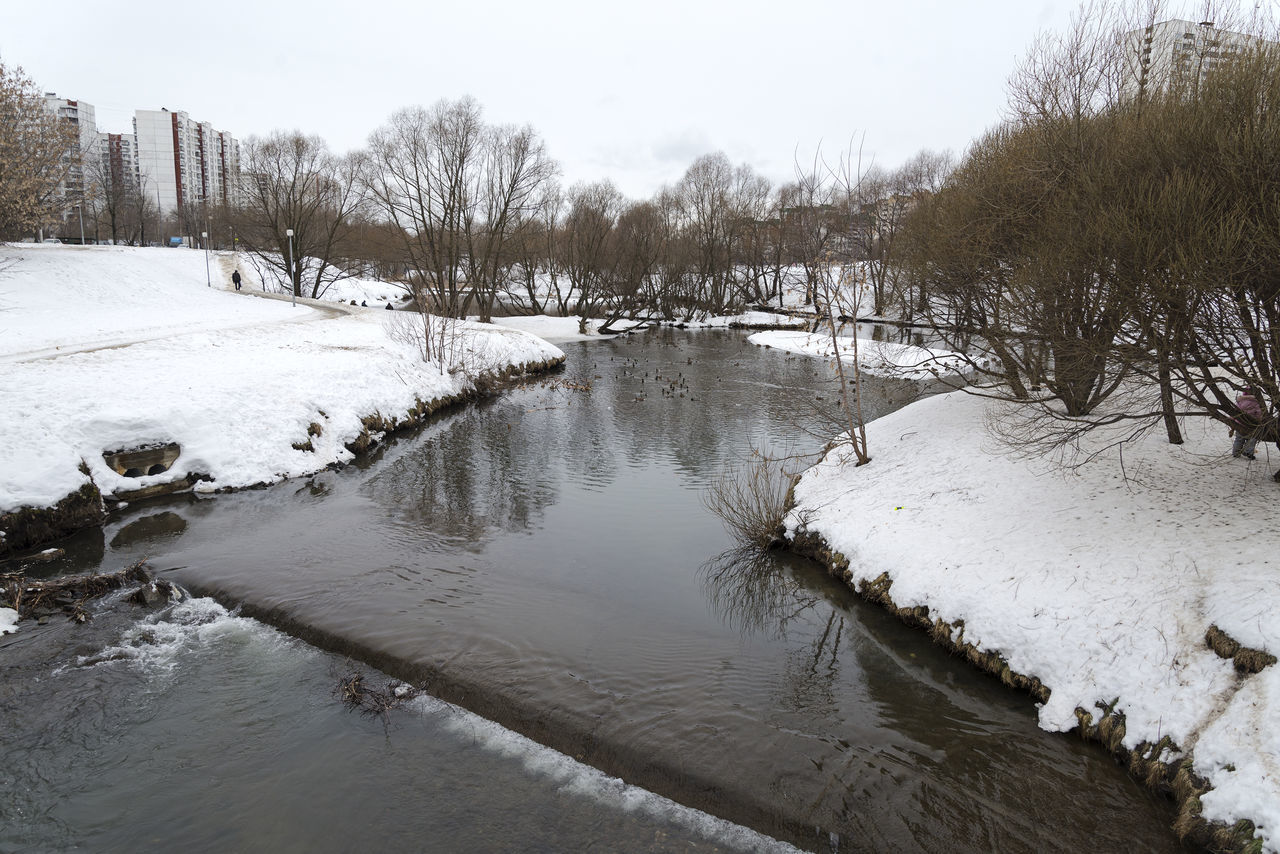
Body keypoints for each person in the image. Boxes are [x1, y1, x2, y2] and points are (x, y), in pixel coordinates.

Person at [1231, 386, 1264, 460]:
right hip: (1250, 424)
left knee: (1239, 439)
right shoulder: (1256, 402)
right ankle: (1248, 452)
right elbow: (1258, 413)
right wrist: (1260, 420)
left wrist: (1232, 419)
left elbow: (1235, 411)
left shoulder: (1240, 401)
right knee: (1252, 439)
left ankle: (1235, 452)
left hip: (1239, 424)